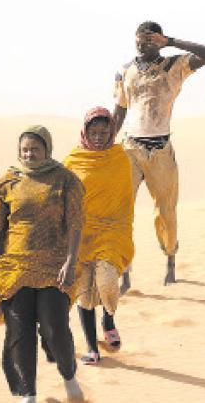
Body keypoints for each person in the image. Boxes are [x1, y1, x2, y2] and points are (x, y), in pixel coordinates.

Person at [0, 125, 85, 403]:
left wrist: (70, 261)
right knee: (19, 331)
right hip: (14, 268)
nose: (29, 154)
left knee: (55, 327)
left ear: (47, 150)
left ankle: (68, 376)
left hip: (54, 266)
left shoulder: (66, 180)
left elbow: (77, 222)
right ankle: (26, 393)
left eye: (35, 149)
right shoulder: (7, 182)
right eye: (24, 150)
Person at [113, 21, 205, 289]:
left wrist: (170, 41)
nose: (142, 44)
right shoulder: (125, 71)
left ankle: (170, 259)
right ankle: (124, 272)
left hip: (160, 150)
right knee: (122, 211)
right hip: (130, 149)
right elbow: (120, 110)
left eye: (149, 39)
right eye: (139, 39)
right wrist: (105, 144)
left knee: (166, 213)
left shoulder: (174, 66)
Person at [63, 107, 134, 364]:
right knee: (84, 293)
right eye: (94, 131)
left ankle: (109, 317)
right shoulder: (73, 160)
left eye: (105, 132)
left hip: (113, 231)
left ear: (112, 132)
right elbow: (61, 195)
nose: (99, 136)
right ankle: (92, 348)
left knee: (106, 284)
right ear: (85, 131)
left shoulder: (119, 158)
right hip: (80, 235)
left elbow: (126, 200)